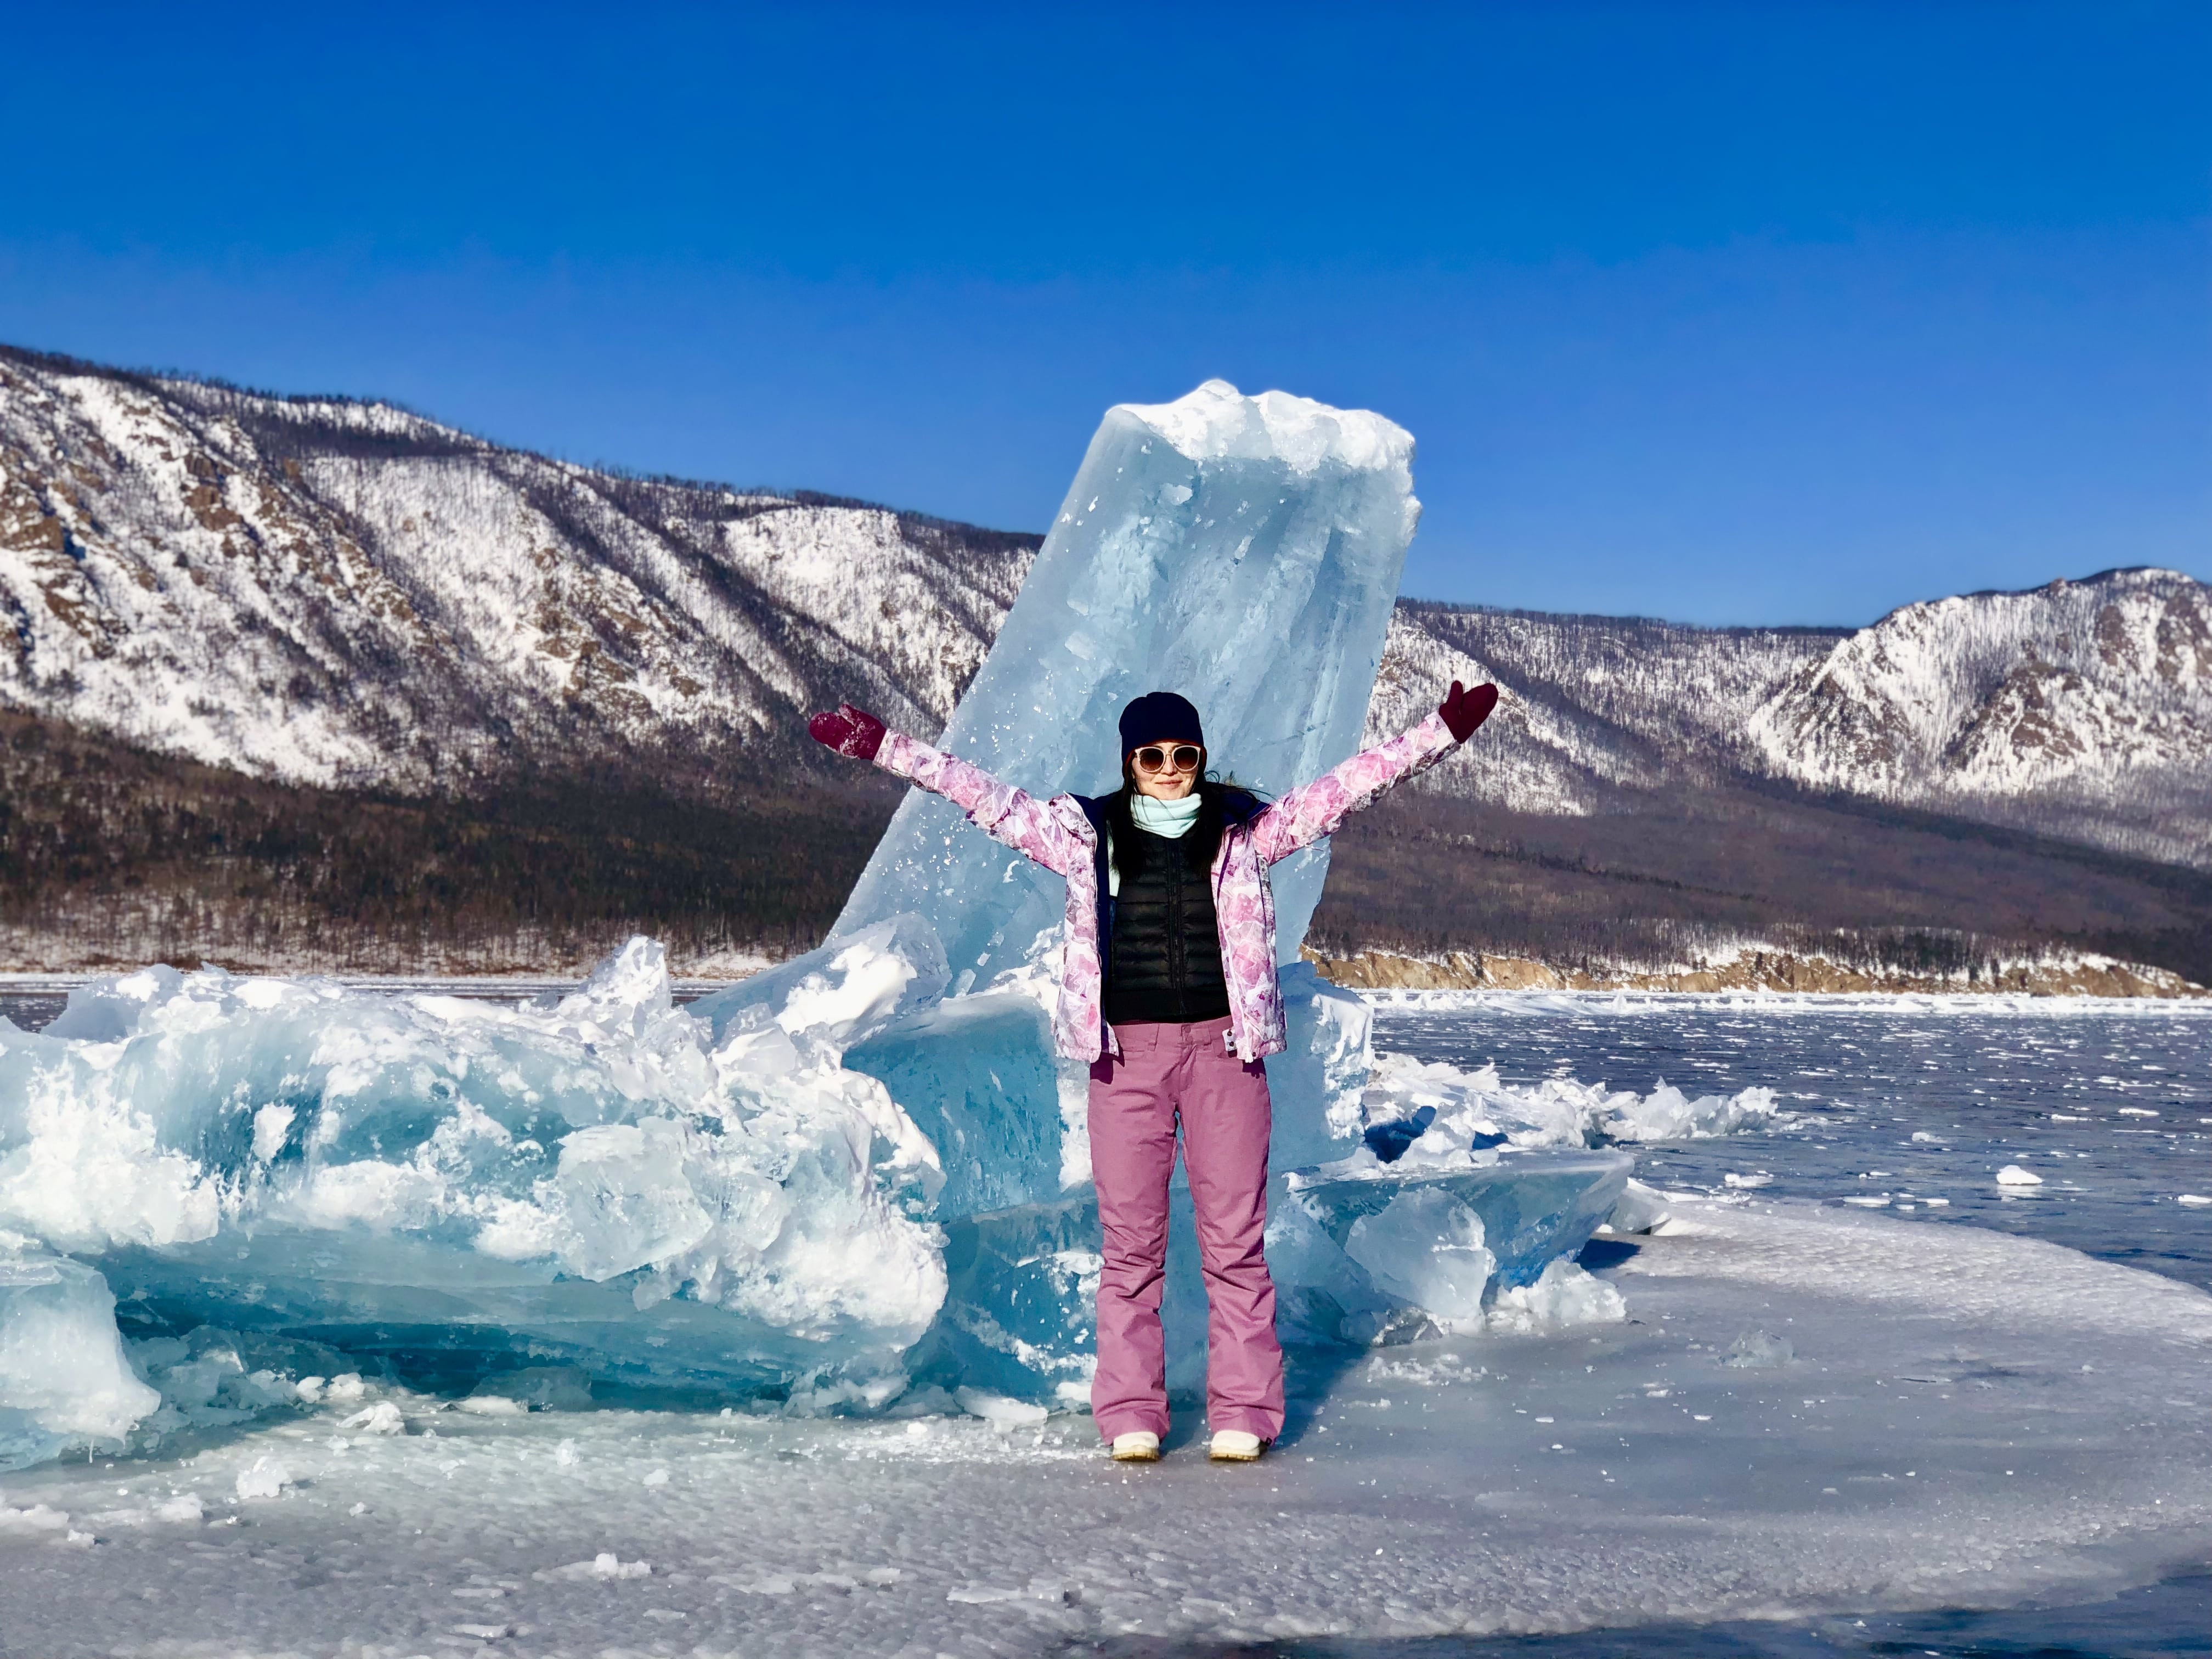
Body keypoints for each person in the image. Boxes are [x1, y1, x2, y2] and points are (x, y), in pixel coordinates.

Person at [808, 679, 1499, 1462]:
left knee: (1233, 1245)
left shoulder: (1247, 836)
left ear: (1200, 759)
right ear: (1129, 760)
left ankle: (1243, 1413)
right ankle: (1131, 1413)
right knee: (1131, 1248)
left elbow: (1346, 788)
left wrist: (1439, 733)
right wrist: (886, 747)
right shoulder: (1082, 837)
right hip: (1126, 1061)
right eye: (1153, 755)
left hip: (1223, 1056)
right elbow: (984, 797)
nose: (1170, 768)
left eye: (1184, 754)